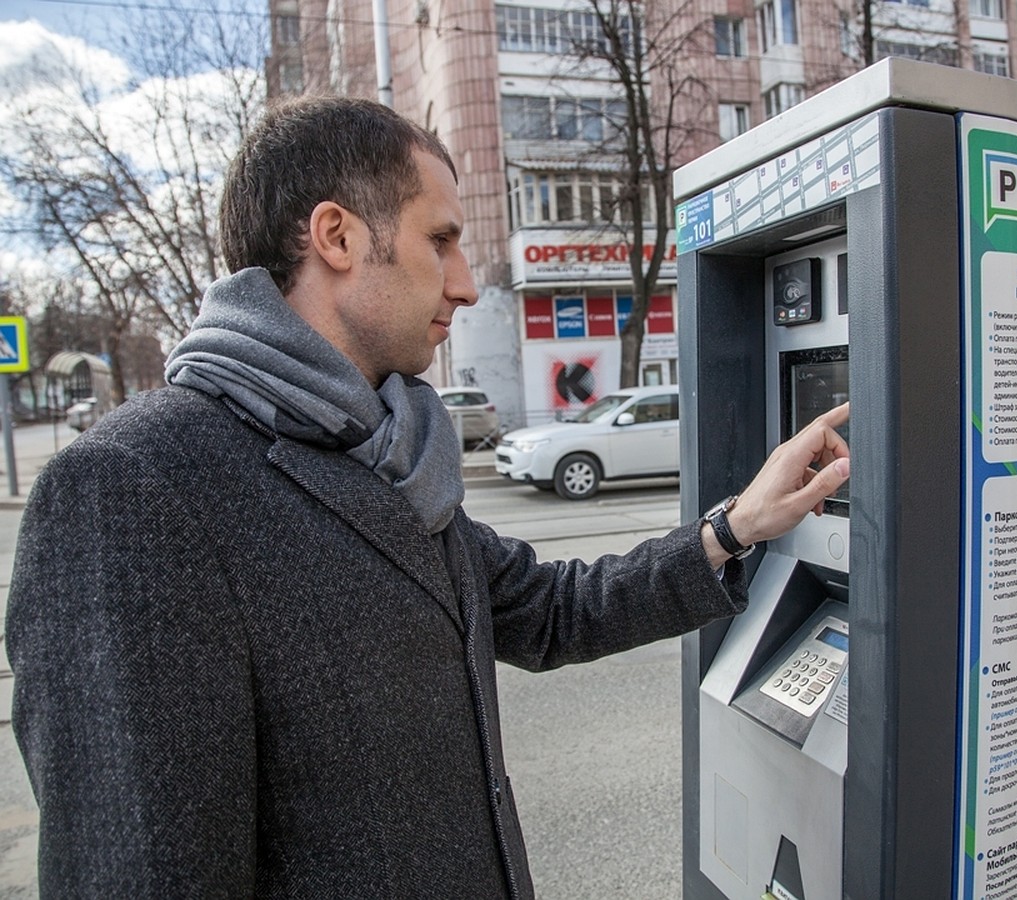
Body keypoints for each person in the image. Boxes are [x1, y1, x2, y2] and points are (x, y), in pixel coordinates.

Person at [6, 96, 849, 897]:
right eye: (439, 240)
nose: (467, 284)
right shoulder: (135, 486)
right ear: (336, 236)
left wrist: (734, 528)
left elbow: (551, 611)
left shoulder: (395, 453)